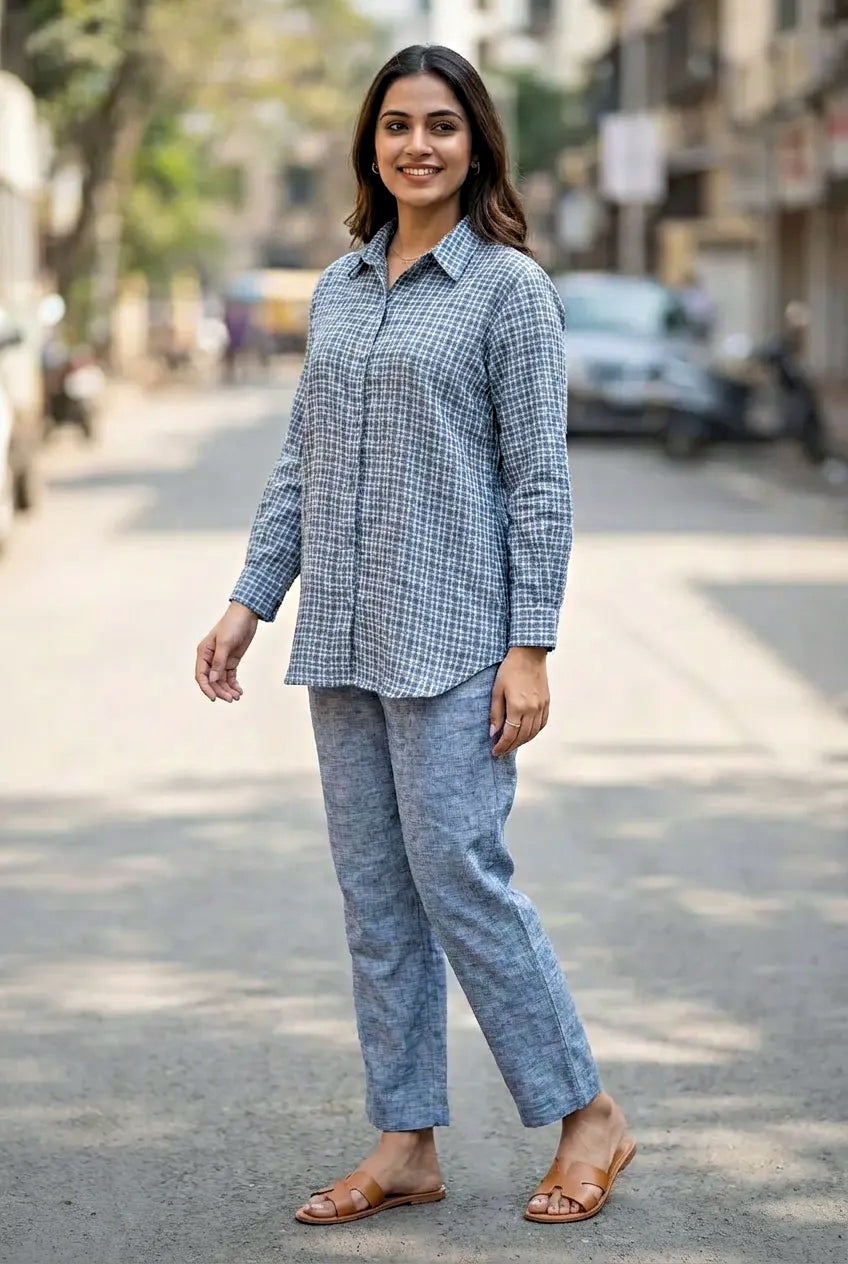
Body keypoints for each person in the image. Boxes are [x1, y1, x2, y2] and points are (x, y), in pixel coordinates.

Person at [195, 44, 635, 1228]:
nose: (417, 146)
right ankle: (405, 1141)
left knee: (461, 875)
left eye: (441, 126)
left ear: (475, 143)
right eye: (396, 126)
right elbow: (299, 465)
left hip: (454, 638)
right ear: (370, 145)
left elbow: (536, 482)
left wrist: (529, 641)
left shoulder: (507, 292)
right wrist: (250, 598)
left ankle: (584, 1111)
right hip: (341, 633)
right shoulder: (338, 289)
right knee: (376, 898)